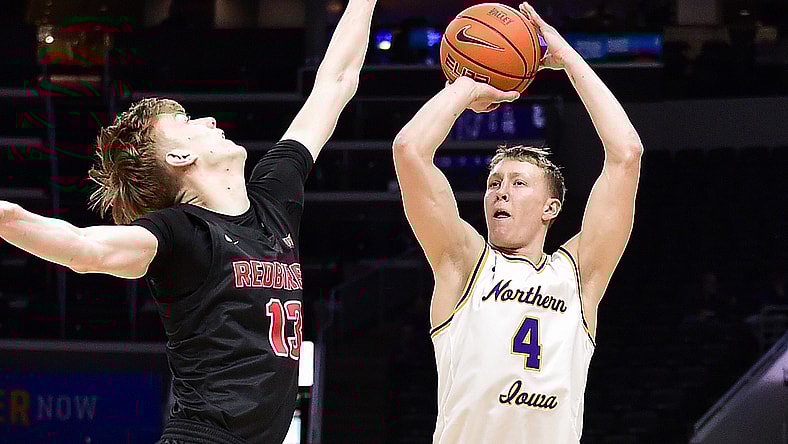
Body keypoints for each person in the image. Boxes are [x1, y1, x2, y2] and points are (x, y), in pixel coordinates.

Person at [0, 1, 377, 443]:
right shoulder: (181, 233)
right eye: (186, 122)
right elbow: (85, 249)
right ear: (181, 156)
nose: (210, 119)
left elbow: (335, 83)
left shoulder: (273, 198)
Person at [392, 3, 642, 443]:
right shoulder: (463, 262)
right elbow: (410, 150)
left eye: (518, 183)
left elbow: (627, 155)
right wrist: (467, 83)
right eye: (493, 183)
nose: (500, 192)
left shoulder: (578, 276)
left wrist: (566, 57)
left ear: (551, 208)